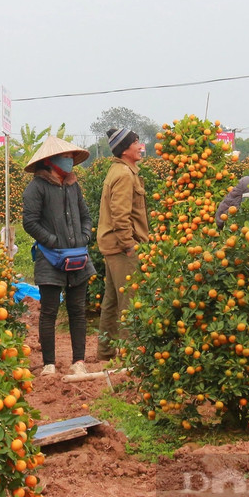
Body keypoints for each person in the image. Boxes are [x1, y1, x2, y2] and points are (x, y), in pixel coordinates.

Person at [22, 136, 96, 376]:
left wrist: (84, 236)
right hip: (50, 258)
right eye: (64, 157)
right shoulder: (37, 187)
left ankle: (79, 362)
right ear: (50, 161)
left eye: (70, 158)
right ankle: (49, 365)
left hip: (77, 257)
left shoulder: (73, 185)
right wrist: (53, 241)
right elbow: (30, 222)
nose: (69, 161)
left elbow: (85, 215)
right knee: (49, 311)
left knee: (77, 310)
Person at [96, 127, 150, 361]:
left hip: (113, 245)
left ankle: (106, 350)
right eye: (136, 142)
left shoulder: (121, 171)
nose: (140, 146)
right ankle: (131, 355)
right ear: (125, 149)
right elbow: (120, 214)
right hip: (122, 247)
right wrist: (129, 245)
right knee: (130, 299)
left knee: (111, 300)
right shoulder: (124, 175)